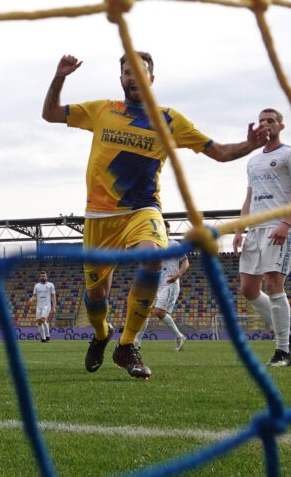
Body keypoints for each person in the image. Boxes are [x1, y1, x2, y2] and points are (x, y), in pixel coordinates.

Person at [42, 52, 268, 379]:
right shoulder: (101, 110)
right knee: (95, 297)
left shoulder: (169, 120)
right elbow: (49, 113)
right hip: (99, 219)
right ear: (121, 78)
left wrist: (249, 144)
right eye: (126, 72)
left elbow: (219, 152)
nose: (133, 77)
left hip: (142, 211)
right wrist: (60, 76)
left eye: (140, 72)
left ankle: (127, 345)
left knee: (153, 258)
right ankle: (103, 334)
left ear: (151, 79)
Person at [233, 108, 291, 367]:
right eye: (262, 120)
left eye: (271, 120)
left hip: (279, 226)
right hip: (255, 229)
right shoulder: (253, 161)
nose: (265, 124)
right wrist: (240, 229)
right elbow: (249, 198)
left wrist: (287, 224)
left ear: (280, 126)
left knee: (275, 284)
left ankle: (283, 350)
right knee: (248, 289)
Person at [133, 221, 189, 352]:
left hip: (170, 282)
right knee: (144, 311)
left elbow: (186, 262)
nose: (166, 230)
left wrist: (178, 274)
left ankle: (179, 336)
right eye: (163, 228)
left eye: (167, 228)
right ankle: (136, 342)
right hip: (155, 284)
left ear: (169, 230)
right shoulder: (154, 245)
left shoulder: (175, 245)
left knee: (159, 312)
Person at [27, 271, 56, 343]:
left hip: (47, 305)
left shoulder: (50, 285)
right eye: (41, 276)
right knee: (39, 322)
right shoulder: (36, 286)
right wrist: (30, 301)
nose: (43, 277)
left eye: (44, 276)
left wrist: (54, 307)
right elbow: (34, 296)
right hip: (39, 306)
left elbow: (53, 296)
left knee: (43, 320)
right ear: (40, 277)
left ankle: (48, 336)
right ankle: (43, 338)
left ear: (46, 277)